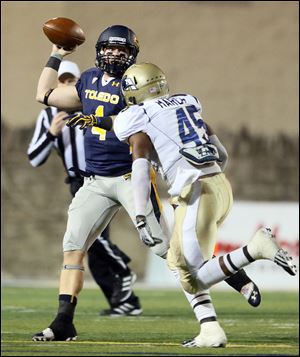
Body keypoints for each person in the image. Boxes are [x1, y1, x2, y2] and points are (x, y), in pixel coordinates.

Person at [32, 25, 262, 343]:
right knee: (72, 250)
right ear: (98, 50)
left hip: (131, 177)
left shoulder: (138, 87)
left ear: (132, 55)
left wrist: (99, 119)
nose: (113, 54)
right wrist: (56, 54)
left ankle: (230, 283)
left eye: (121, 49)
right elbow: (44, 95)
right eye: (108, 48)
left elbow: (143, 124)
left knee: (171, 252)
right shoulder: (87, 80)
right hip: (95, 180)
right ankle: (63, 323)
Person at [81, 62, 297, 347]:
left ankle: (253, 249)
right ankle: (210, 330)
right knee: (178, 263)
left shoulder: (136, 117)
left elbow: (142, 168)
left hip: (195, 192)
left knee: (193, 278)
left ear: (133, 92)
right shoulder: (187, 102)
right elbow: (221, 153)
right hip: (219, 185)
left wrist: (141, 215)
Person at [27, 60, 141, 317]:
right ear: (58, 84)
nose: (67, 84)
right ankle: (125, 302)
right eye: (63, 80)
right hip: (80, 184)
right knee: (90, 250)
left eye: (72, 80)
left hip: (106, 177)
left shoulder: (95, 103)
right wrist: (50, 134)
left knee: (95, 242)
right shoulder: (48, 116)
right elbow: (34, 157)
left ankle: (124, 271)